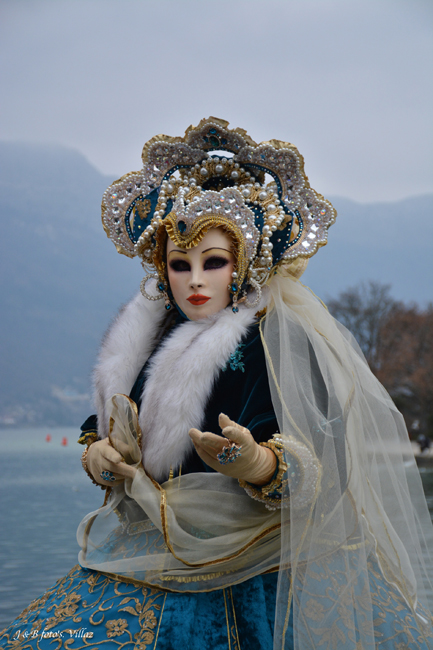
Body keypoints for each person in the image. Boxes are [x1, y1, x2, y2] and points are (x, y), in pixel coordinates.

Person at [1, 117, 432, 649]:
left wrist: (259, 463)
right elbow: (107, 427)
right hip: (145, 546)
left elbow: (325, 453)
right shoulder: (147, 338)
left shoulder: (273, 342)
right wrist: (99, 456)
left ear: (242, 266)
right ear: (163, 269)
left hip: (257, 559)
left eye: (214, 262)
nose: (197, 281)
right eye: (181, 265)